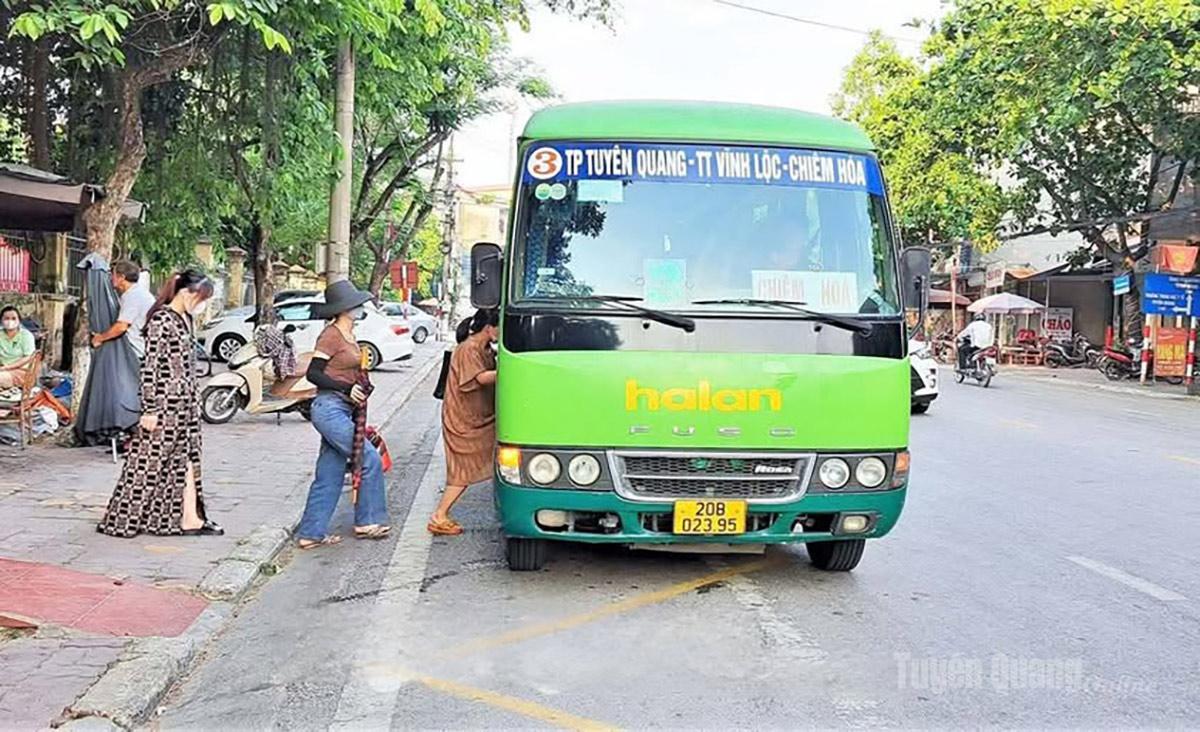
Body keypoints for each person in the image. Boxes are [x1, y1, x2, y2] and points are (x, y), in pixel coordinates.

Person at [97, 270, 223, 537]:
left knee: (187, 459)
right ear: (187, 293)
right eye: (202, 298)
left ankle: (190, 518)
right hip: (164, 404)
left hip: (186, 403)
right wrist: (150, 409)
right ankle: (122, 520)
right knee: (146, 464)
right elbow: (150, 367)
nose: (203, 305)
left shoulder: (185, 319)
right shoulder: (161, 320)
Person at [295, 280, 390, 549]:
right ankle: (367, 521)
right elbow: (314, 373)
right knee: (368, 458)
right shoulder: (331, 335)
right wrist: (346, 388)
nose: (361, 308)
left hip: (343, 409)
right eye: (357, 304)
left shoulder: (350, 335)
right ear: (345, 308)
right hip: (329, 408)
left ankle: (310, 533)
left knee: (329, 473)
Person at [428, 308, 499, 536]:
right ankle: (439, 515)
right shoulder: (468, 349)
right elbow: (480, 378)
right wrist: (514, 369)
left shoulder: (486, 349)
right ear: (489, 328)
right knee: (463, 468)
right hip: (463, 419)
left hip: (479, 416)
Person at [90, 261, 155, 358]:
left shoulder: (133, 296)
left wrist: (100, 338)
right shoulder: (138, 292)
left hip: (135, 351)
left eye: (113, 274)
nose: (111, 278)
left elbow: (121, 327)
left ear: (121, 277)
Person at [0, 306, 37, 391]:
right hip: (2, 369)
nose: (10, 321)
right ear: (1, 320)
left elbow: (28, 357)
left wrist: (7, 368)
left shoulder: (26, 336)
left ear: (19, 320)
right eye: (6, 318)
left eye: (13, 318)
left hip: (21, 371)